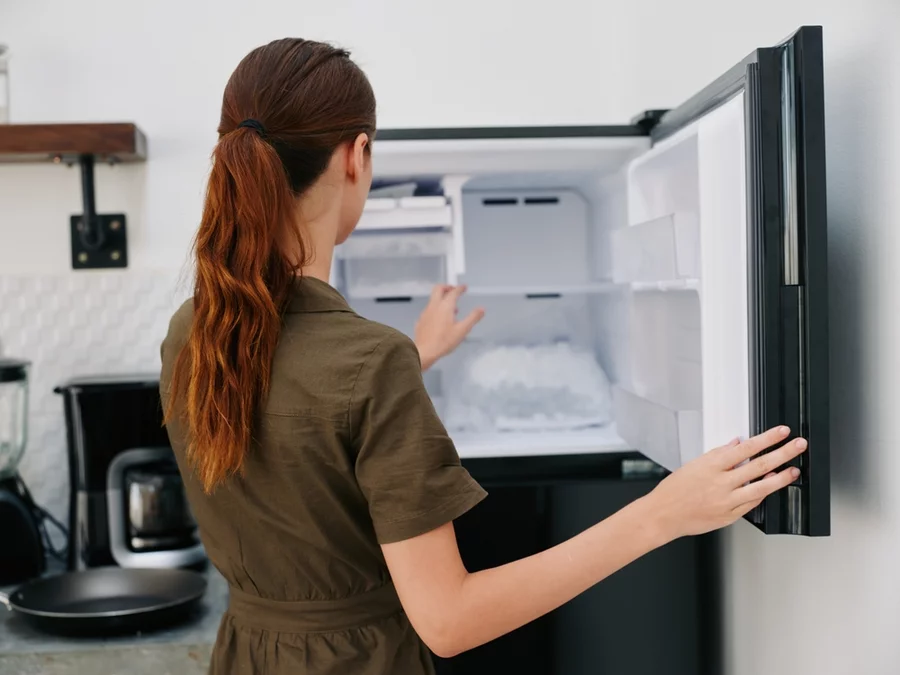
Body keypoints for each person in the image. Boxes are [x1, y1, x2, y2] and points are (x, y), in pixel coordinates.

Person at [160, 38, 807, 675]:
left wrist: (410, 356)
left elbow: (303, 417)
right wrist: (661, 513)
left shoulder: (192, 331)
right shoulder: (369, 363)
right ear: (357, 156)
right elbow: (449, 620)